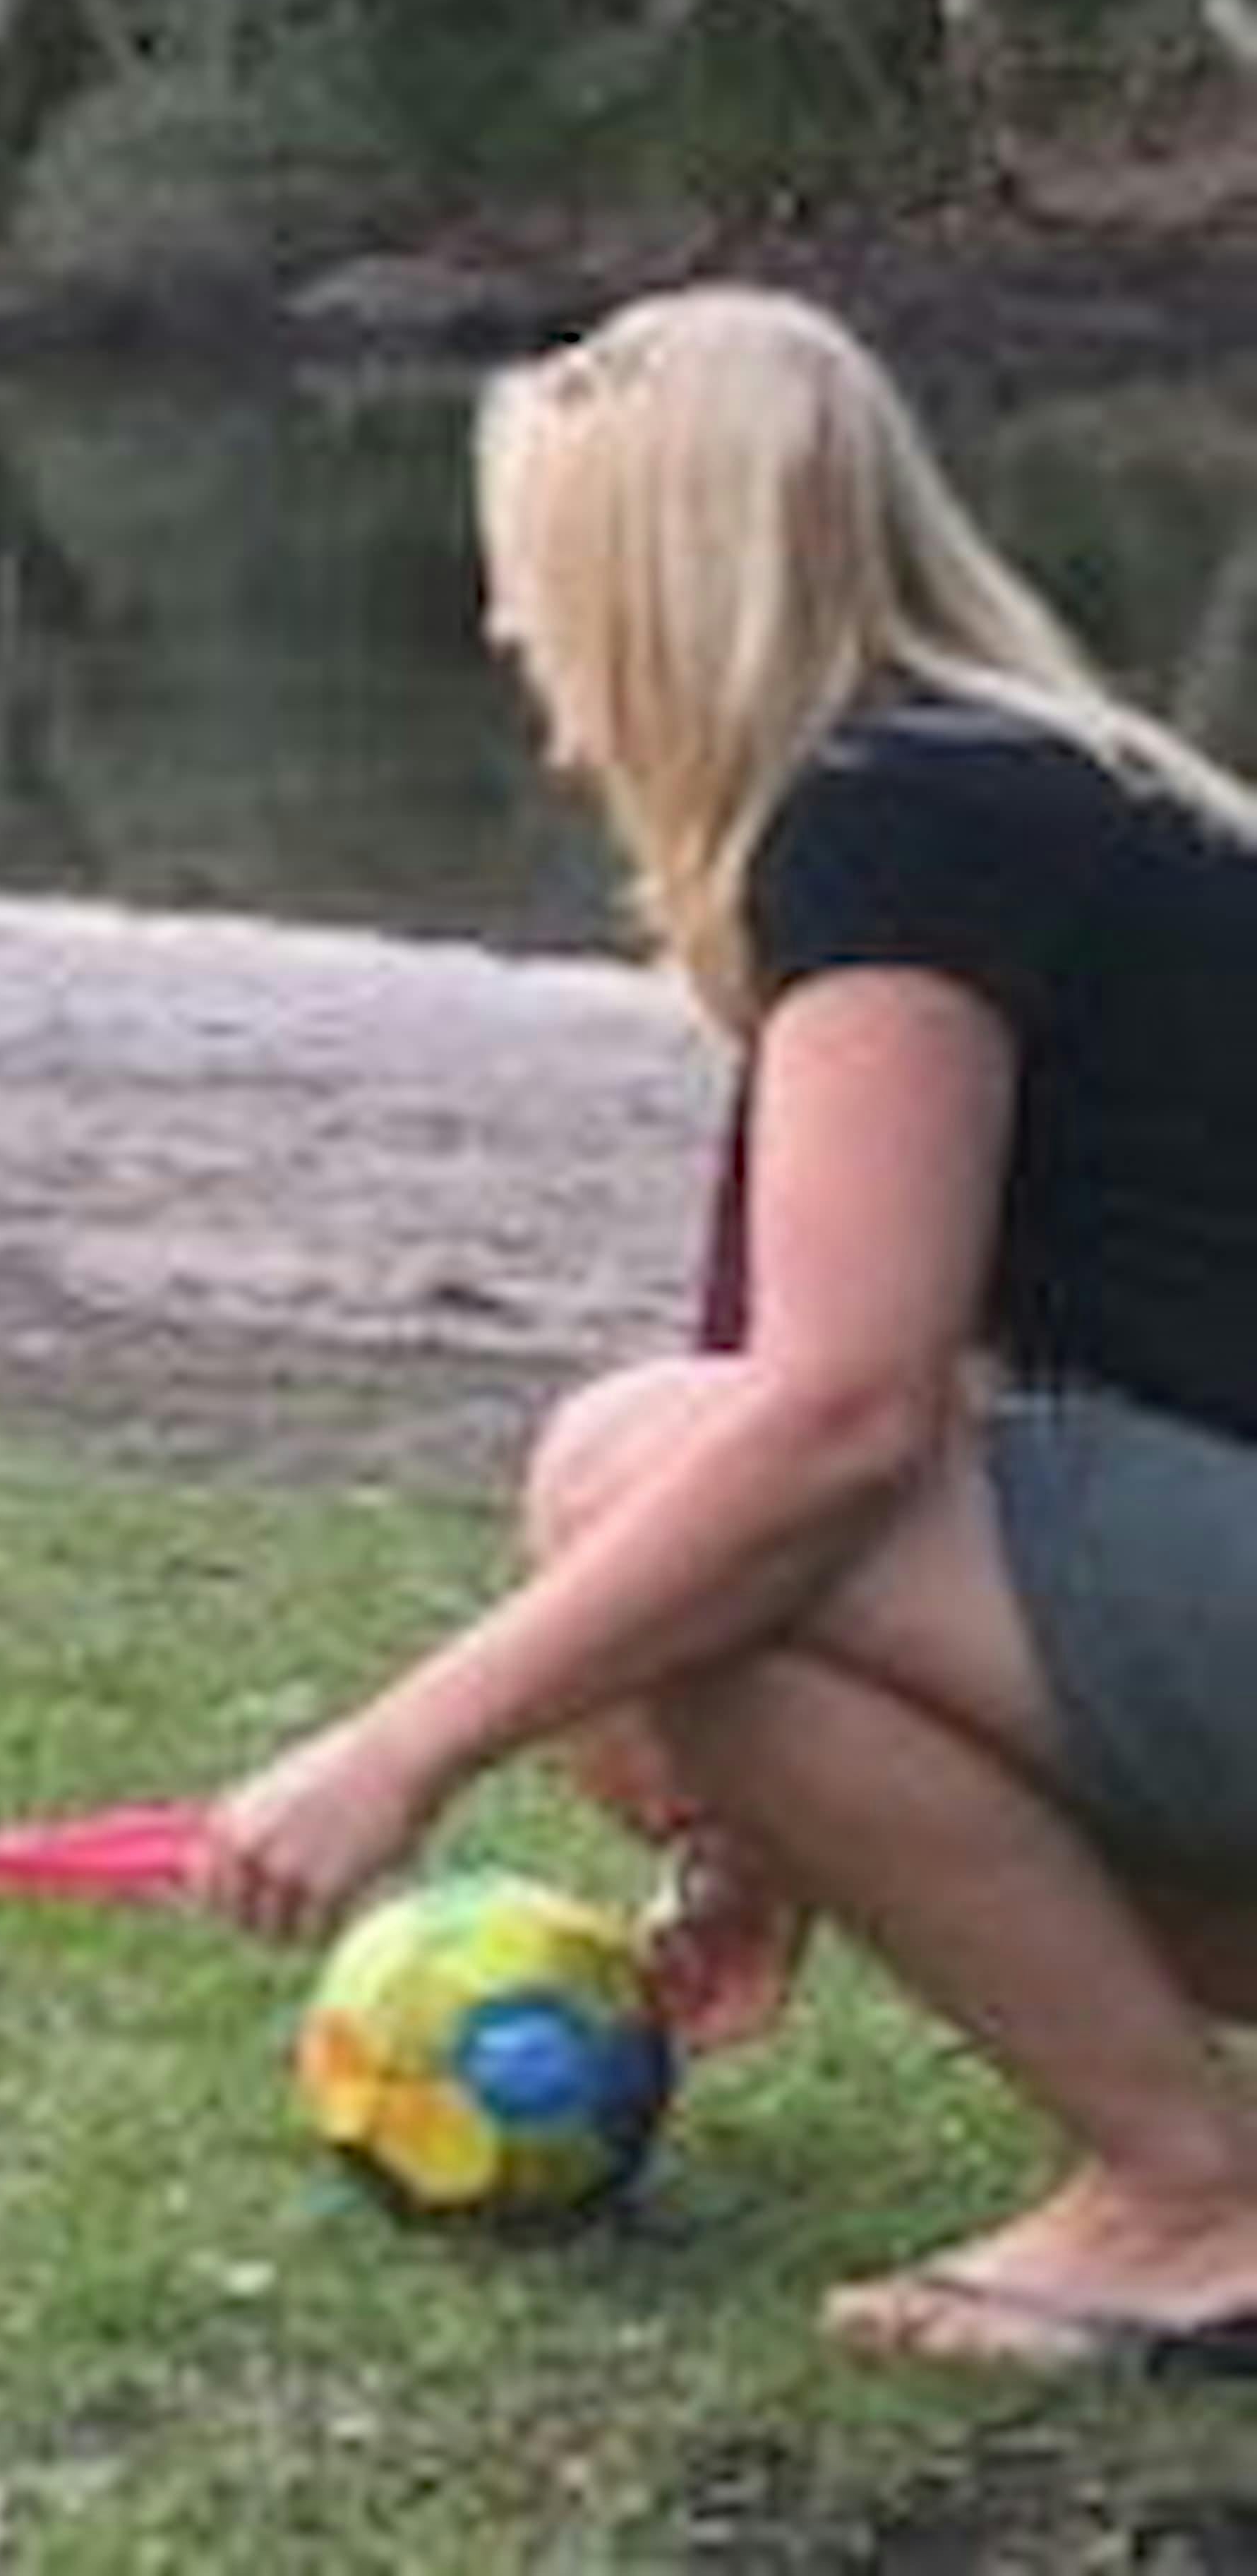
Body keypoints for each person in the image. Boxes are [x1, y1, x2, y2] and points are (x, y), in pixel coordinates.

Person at [193, 282, 1257, 2375]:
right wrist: (741, 1810)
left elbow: (844, 1417)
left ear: (640, 580)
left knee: (630, 1474)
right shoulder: (1018, 786)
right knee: (660, 1617)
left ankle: (1193, 2207)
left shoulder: (893, 822)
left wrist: (393, 1749)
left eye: (531, 576)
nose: (510, 634)